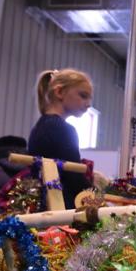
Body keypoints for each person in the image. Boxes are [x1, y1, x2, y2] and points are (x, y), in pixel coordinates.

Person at [28, 68, 93, 209]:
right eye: (83, 96)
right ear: (59, 92)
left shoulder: (40, 126)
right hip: (61, 205)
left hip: (43, 203)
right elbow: (74, 176)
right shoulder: (63, 129)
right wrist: (97, 198)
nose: (88, 104)